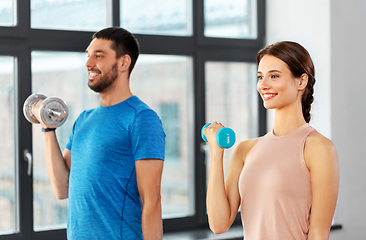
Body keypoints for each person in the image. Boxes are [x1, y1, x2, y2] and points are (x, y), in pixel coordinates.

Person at [32, 27, 165, 240]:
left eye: (99, 56)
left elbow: (152, 201)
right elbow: (62, 187)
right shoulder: (84, 119)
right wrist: (48, 128)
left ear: (123, 63)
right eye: (88, 55)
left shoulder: (142, 118)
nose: (88, 63)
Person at [204, 41, 339, 240]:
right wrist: (216, 153)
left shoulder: (318, 148)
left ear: (301, 82)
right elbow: (218, 224)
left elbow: (319, 233)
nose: (263, 85)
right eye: (260, 77)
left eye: (274, 76)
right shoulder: (245, 150)